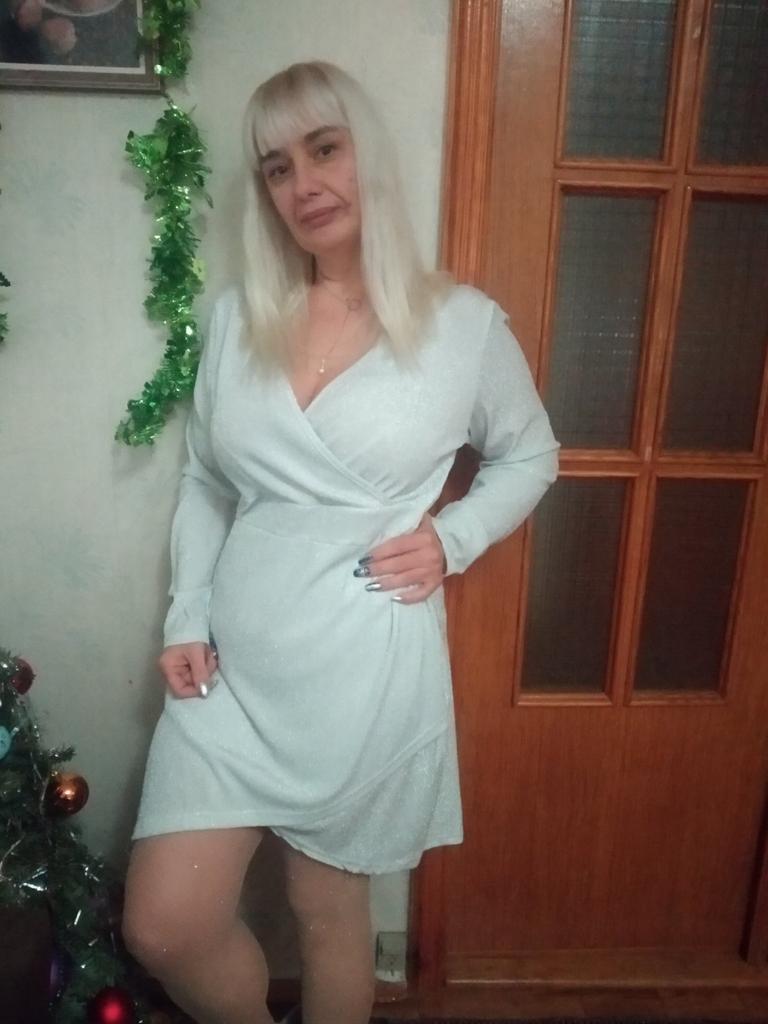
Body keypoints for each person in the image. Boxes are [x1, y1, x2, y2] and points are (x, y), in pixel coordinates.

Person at [121, 61, 560, 1024]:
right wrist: (186, 613)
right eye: (277, 168)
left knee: (328, 915)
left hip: (365, 669)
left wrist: (452, 539)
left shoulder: (462, 327)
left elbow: (531, 454)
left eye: (325, 150)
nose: (303, 184)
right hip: (231, 672)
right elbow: (206, 478)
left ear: (370, 156)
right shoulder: (238, 319)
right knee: (165, 927)